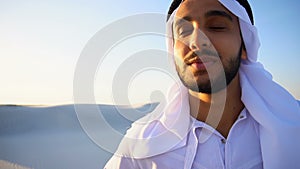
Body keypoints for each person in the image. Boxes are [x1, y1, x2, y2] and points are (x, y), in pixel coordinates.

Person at [104, 0, 300, 168]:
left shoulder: (292, 128)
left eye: (217, 26)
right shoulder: (141, 147)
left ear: (245, 45)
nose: (197, 41)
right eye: (184, 30)